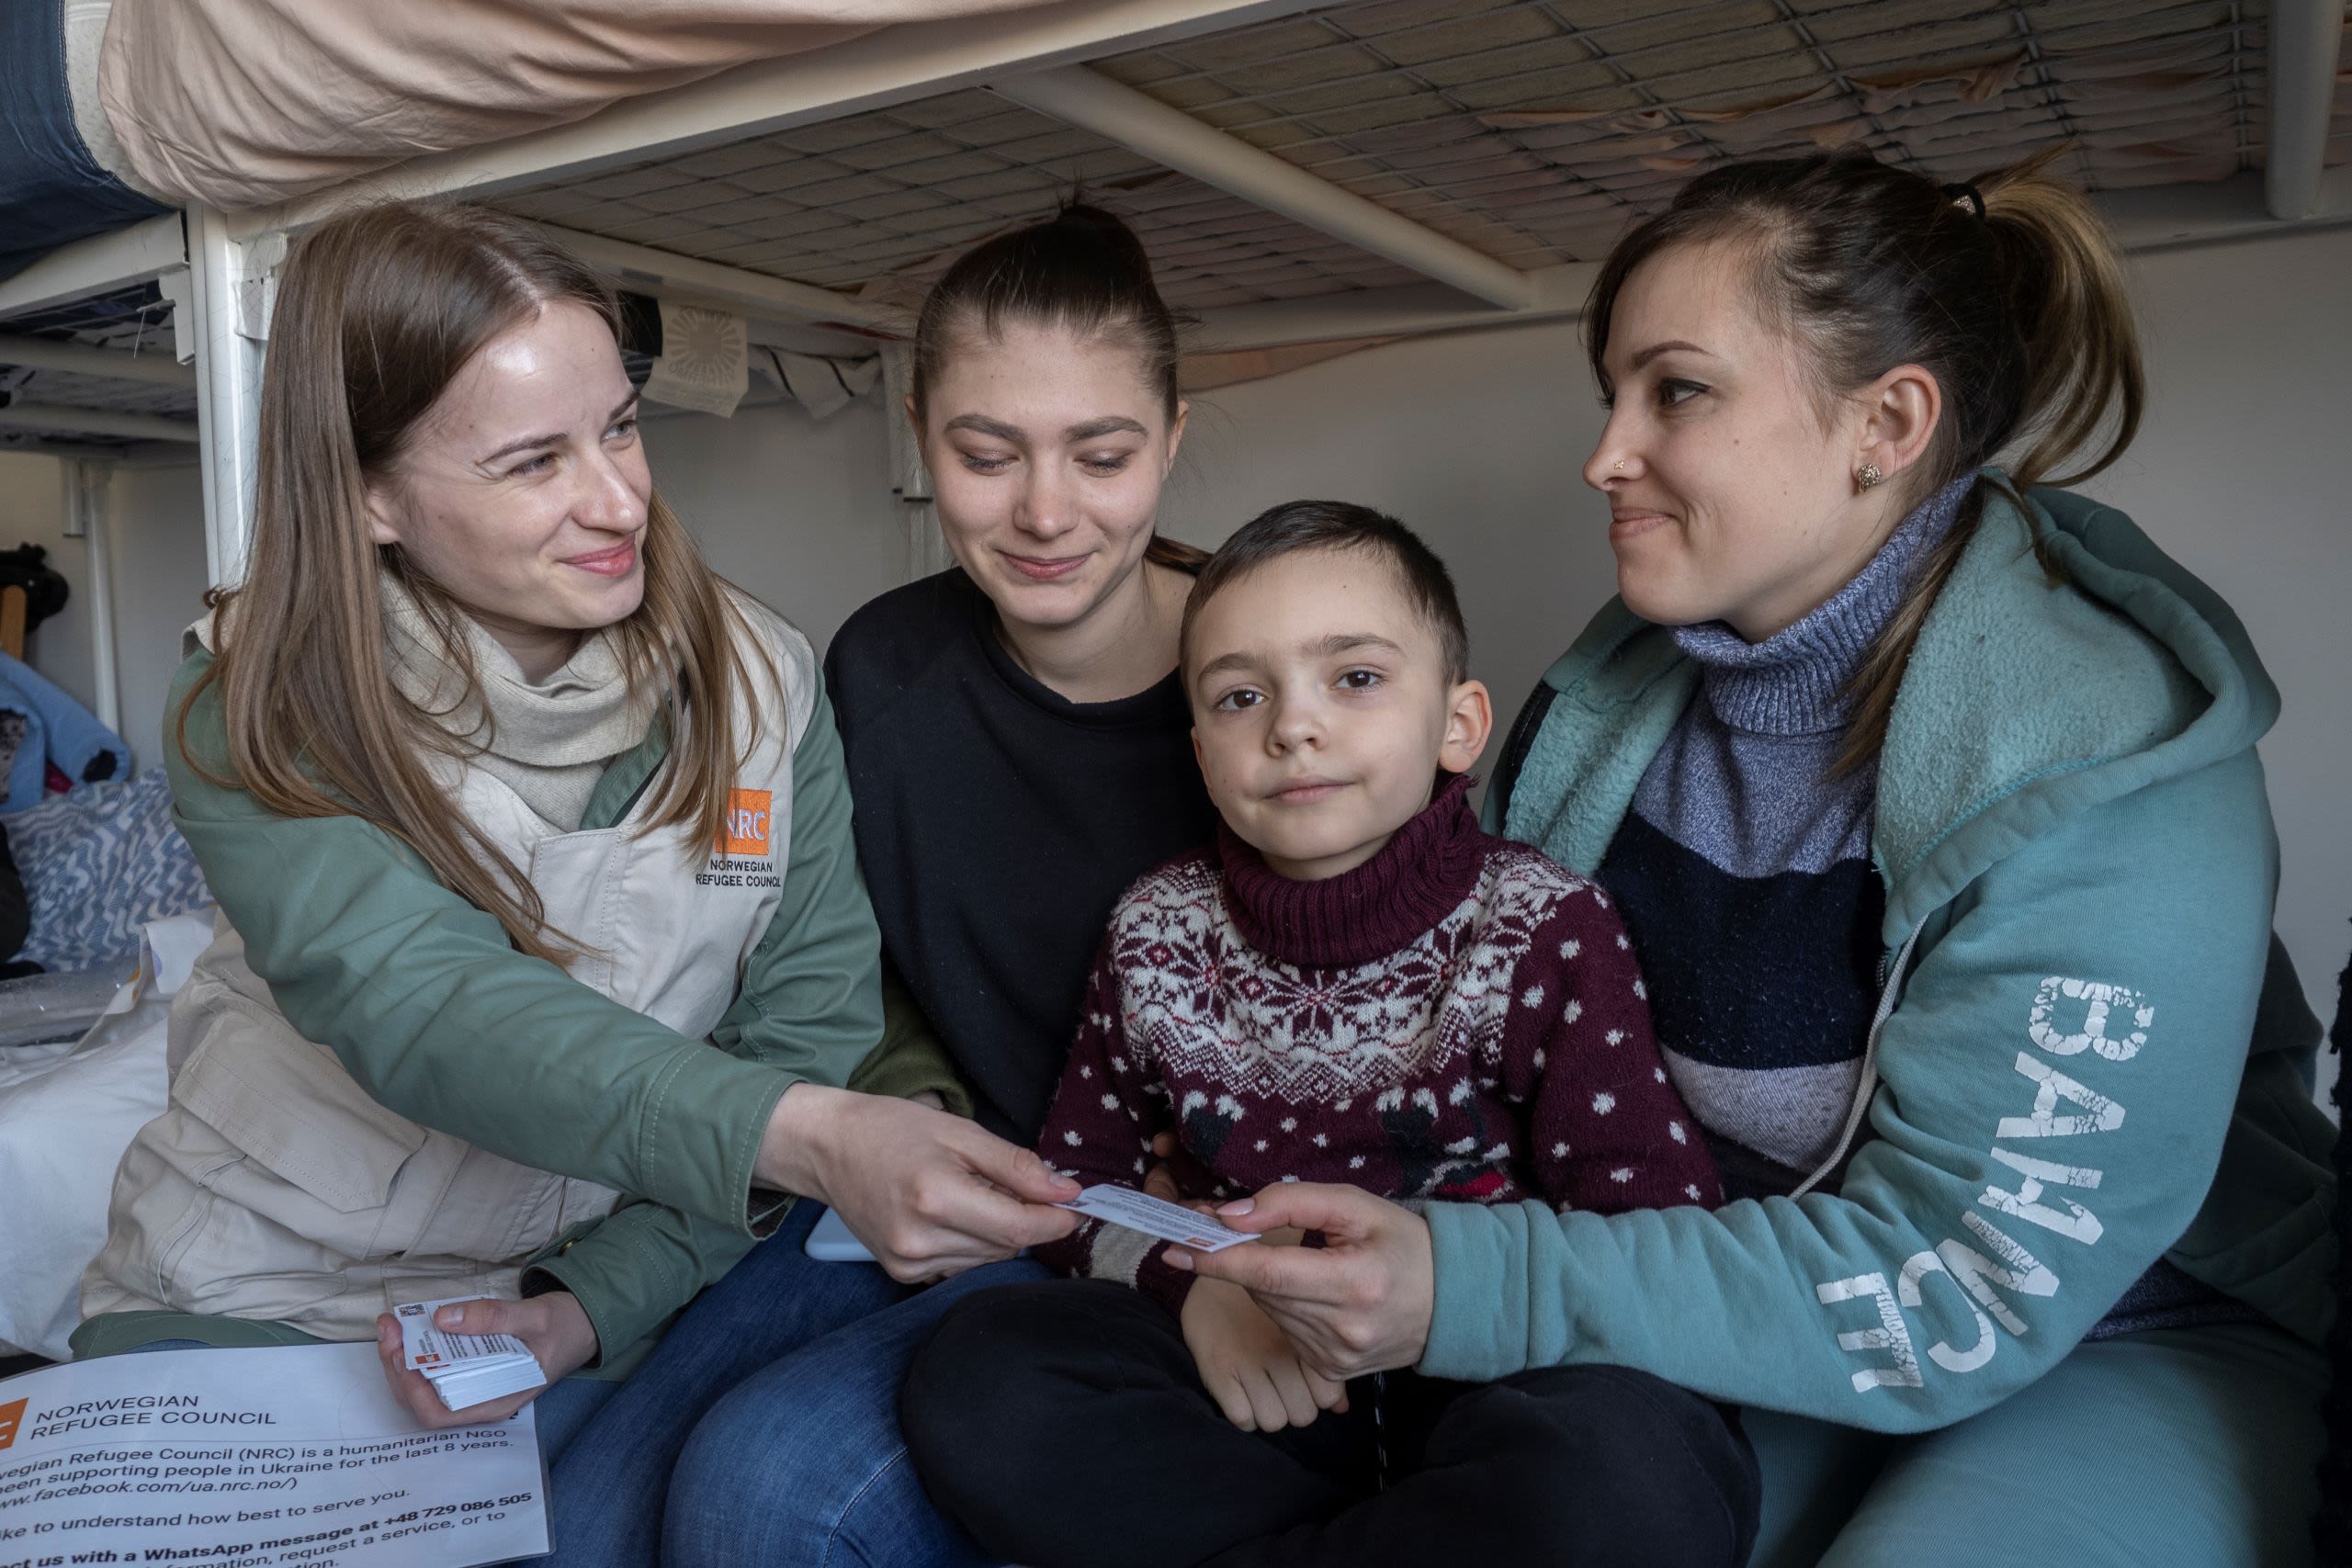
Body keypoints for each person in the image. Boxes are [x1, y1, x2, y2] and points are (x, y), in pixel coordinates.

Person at [1166, 151, 2339, 1568]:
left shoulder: (2104, 763)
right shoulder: (1615, 694)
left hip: (2117, 1326)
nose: (1606, 452)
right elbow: (1479, 1039)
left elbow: (1970, 1283)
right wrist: (1220, 1218)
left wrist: (1478, 1280)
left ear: (1887, 421)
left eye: (1678, 391)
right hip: (1755, 1300)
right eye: (1611, 394)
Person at [70, 200, 966, 1566]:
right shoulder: (258, 699)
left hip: (577, 1289)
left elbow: (805, 1025)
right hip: (262, 1278)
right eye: (532, 459)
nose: (617, 499)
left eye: (618, 425)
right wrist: (808, 1131)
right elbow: (428, 1004)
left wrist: (591, 1302)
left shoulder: (764, 681)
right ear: (369, 491)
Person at [899, 501, 1755, 1568]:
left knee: (1642, 1480)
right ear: (1202, 751)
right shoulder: (1153, 931)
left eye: (1353, 677)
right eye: (1240, 695)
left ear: (1458, 723)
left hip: (1491, 1378)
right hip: (1259, 1382)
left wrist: (1459, 1309)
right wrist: (1197, 1287)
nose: (1292, 725)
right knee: (987, 1376)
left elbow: (1652, 1223)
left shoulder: (1545, 926)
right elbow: (1075, 1182)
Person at [633, 204, 1224, 1565]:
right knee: (587, 1511)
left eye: (1104, 452)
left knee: (759, 1490)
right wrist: (911, 1120)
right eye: (985, 452)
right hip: (945, 1191)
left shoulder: (1272, 675)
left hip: (1167, 1237)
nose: (1045, 512)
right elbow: (856, 974)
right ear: (920, 433)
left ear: (1173, 440)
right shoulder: (884, 673)